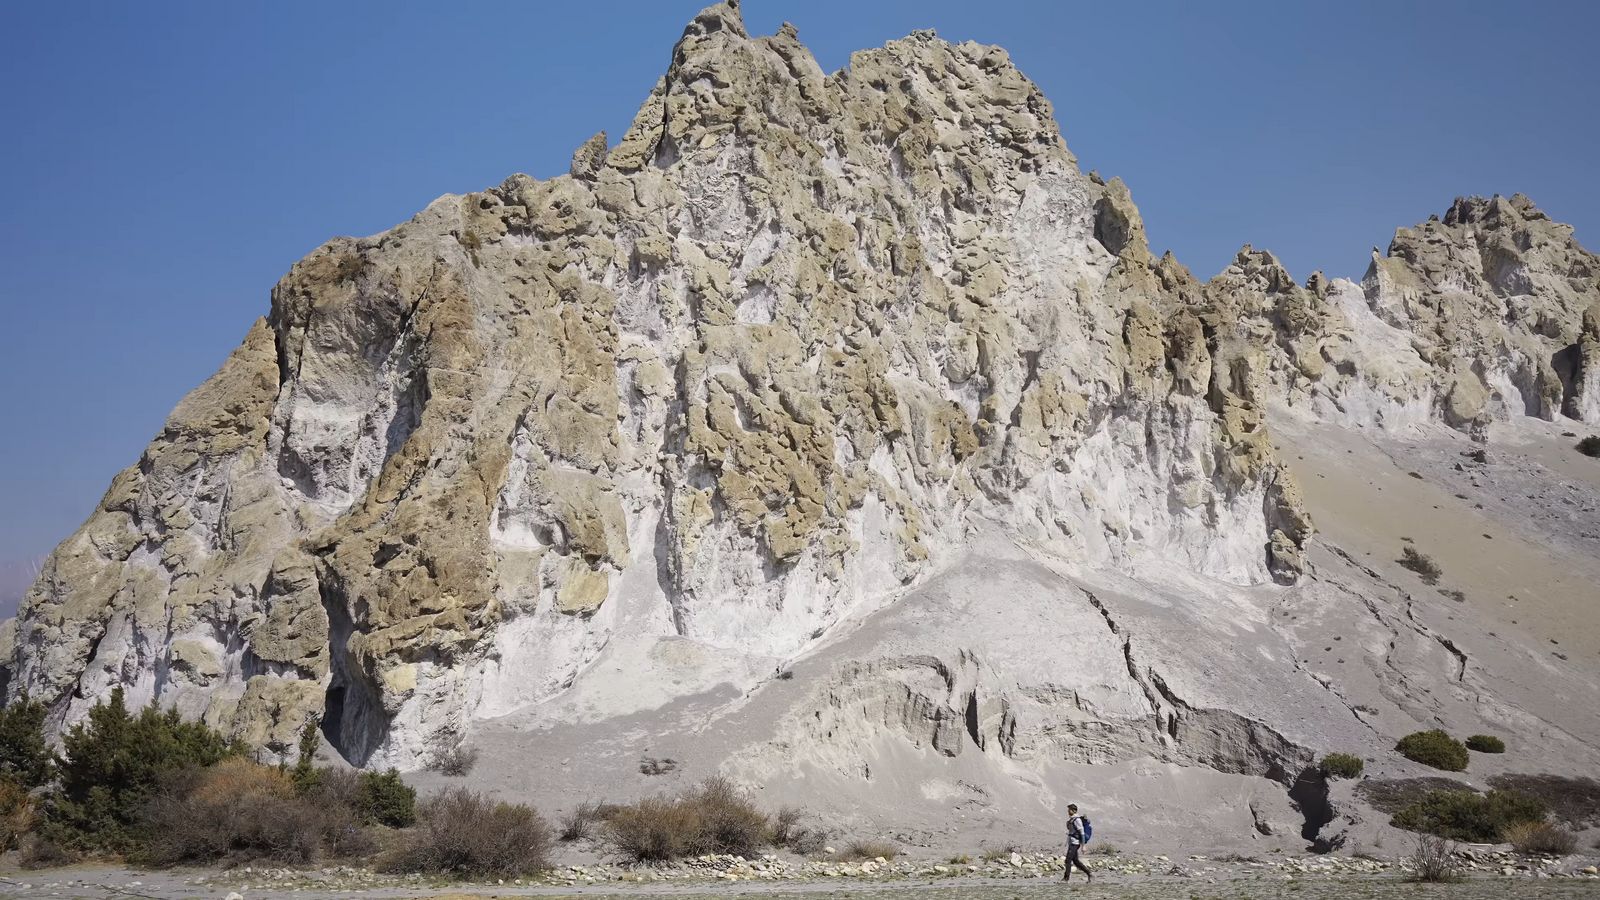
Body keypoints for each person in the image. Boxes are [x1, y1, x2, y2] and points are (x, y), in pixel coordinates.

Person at [1062, 803, 1092, 883]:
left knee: (1068, 860)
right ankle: (1089, 874)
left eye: (1070, 810)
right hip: (1072, 842)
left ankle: (1066, 879)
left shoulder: (1077, 820)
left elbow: (1081, 833)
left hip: (1075, 843)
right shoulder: (1071, 819)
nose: (1068, 811)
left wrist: (1083, 846)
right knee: (1076, 861)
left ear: (1074, 811)